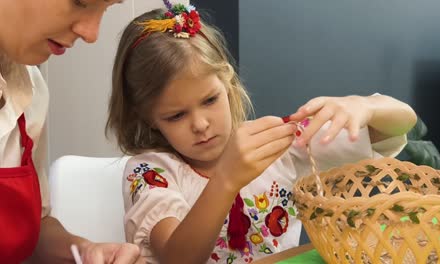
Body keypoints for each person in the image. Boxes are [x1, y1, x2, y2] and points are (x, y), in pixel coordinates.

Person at [106, 3, 417, 263]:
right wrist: (226, 179)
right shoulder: (150, 172)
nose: (200, 124)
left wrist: (364, 106)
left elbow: (399, 124)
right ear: (148, 119)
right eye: (176, 115)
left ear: (228, 85)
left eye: (210, 100)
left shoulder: (276, 145)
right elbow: (178, 258)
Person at [0, 0, 144, 263]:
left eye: (107, 9)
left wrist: (86, 251)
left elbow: (35, 228)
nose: (91, 34)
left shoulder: (30, 91)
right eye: (81, 2)